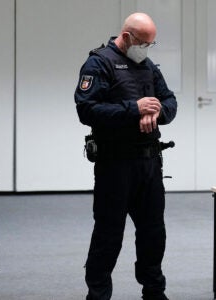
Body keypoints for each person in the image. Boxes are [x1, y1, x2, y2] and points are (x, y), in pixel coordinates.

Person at [74, 12, 177, 300]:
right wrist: (135, 109)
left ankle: (154, 292)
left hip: (149, 164)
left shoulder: (148, 66)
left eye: (151, 44)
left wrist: (156, 113)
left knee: (153, 233)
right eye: (144, 42)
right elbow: (87, 110)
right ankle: (98, 294)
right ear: (128, 37)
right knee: (109, 234)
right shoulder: (99, 63)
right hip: (115, 165)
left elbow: (170, 101)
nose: (146, 48)